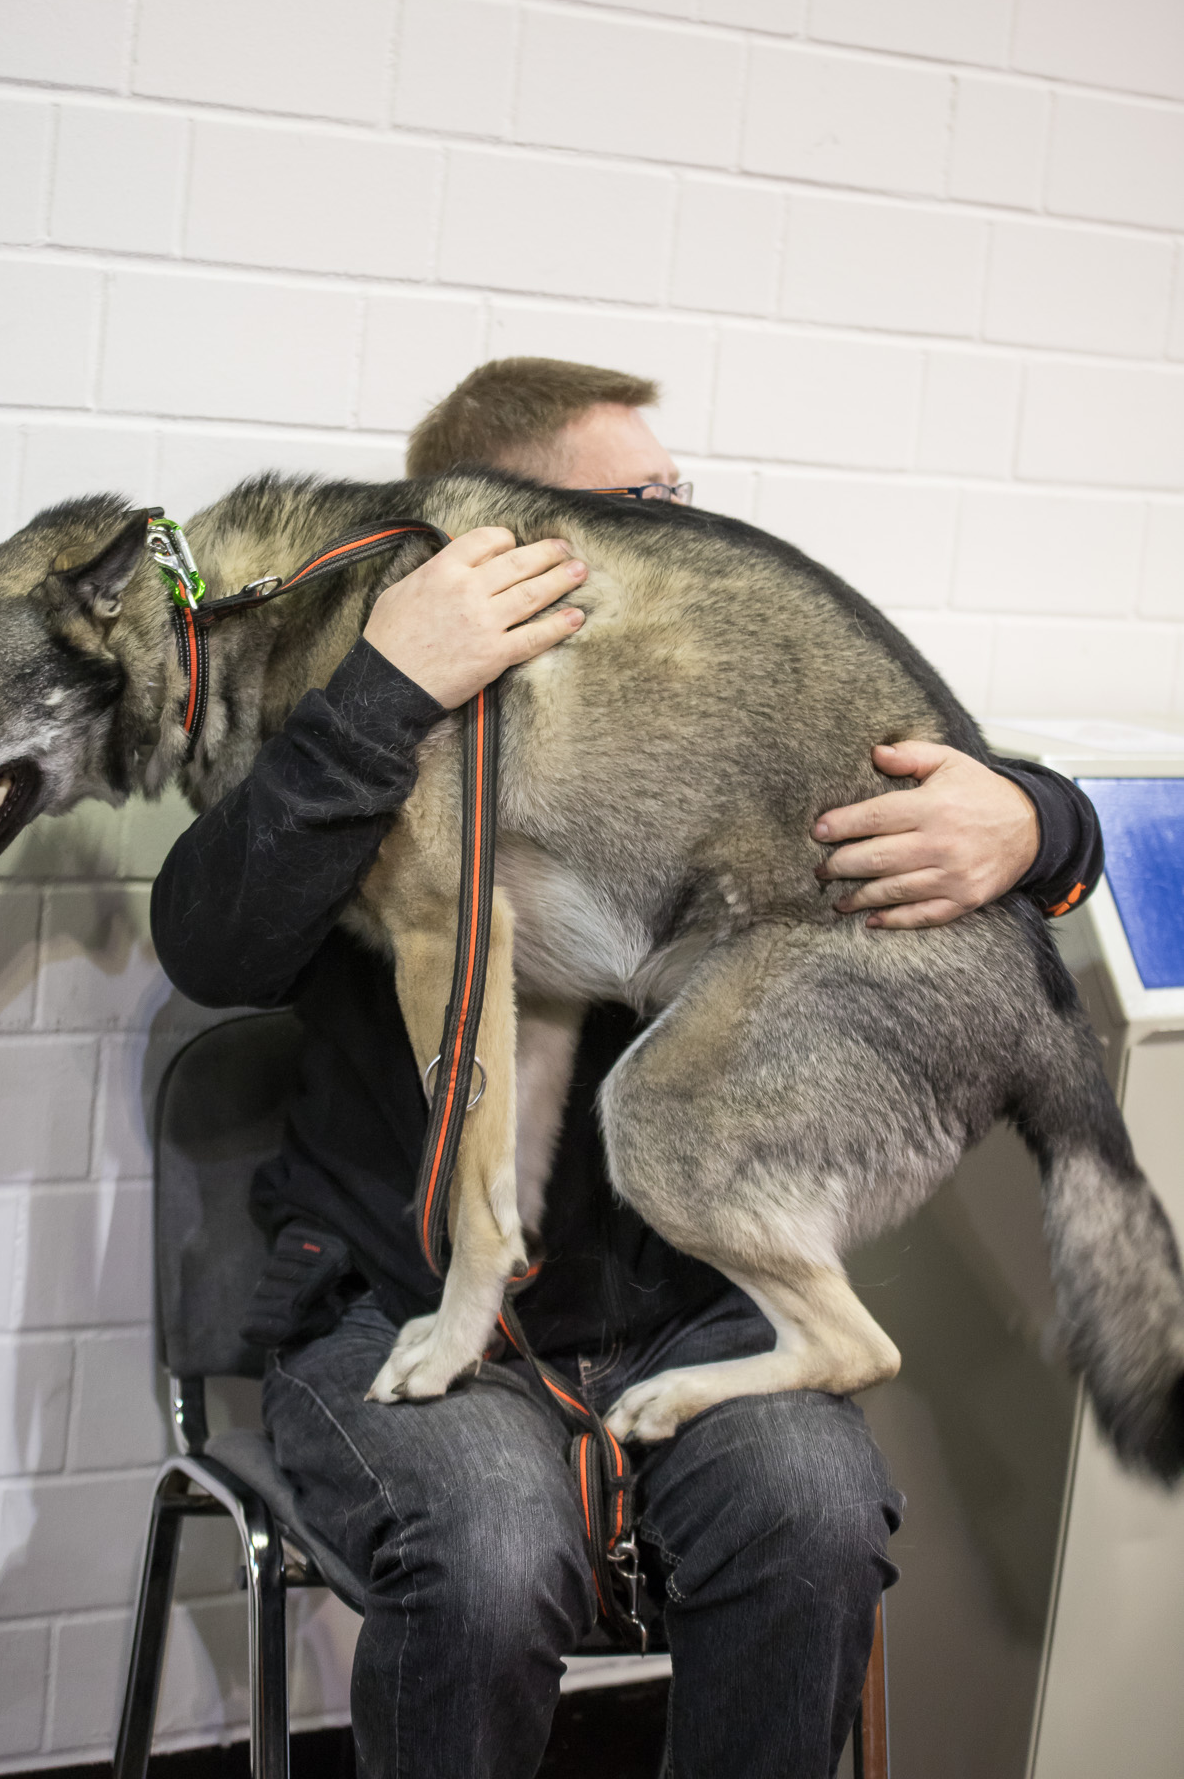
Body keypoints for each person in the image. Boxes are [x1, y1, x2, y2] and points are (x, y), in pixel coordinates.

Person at [151, 358, 1102, 1778]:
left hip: (682, 1318)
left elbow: (982, 802)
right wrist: (382, 690)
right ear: (500, 536)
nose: (687, 539)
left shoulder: (707, 701)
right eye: (641, 505)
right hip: (398, 1308)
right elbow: (210, 938)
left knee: (811, 1524)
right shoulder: (350, 715)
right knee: (482, 1554)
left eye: (678, 497)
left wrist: (1031, 820)